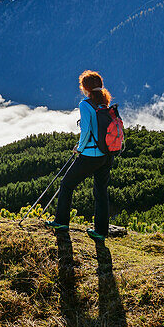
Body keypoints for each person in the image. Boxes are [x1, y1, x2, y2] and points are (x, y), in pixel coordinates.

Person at [46, 70, 114, 242]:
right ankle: (101, 232)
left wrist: (79, 148)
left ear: (85, 88)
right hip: (107, 154)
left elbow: (86, 130)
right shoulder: (104, 103)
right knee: (100, 191)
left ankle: (61, 222)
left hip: (91, 154)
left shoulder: (85, 104)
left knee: (66, 184)